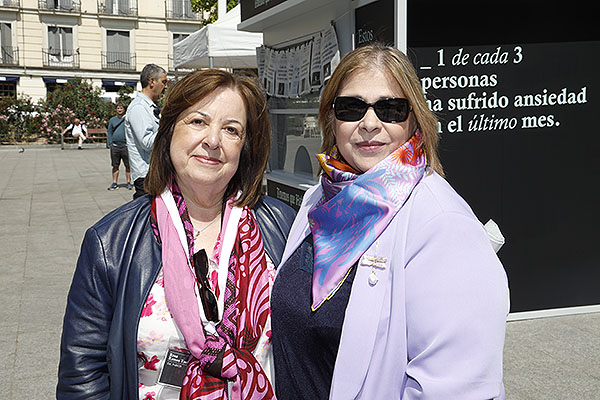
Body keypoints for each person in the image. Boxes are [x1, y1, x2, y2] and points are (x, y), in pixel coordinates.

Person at [271, 43, 510, 399]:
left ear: (414, 119)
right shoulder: (319, 199)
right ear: (330, 118)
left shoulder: (443, 224)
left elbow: (455, 389)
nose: (369, 124)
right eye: (351, 108)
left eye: (390, 109)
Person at [57, 70, 296, 399]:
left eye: (231, 130)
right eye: (198, 121)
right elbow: (82, 373)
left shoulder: (283, 226)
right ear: (169, 132)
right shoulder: (109, 242)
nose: (213, 141)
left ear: (245, 147)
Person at [125, 63, 168, 199]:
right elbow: (147, 142)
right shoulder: (139, 108)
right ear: (152, 81)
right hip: (146, 177)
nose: (166, 86)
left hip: (154, 174)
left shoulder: (148, 106)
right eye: (164, 82)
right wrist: (170, 130)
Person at [106, 102, 133, 190]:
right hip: (115, 146)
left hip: (125, 146)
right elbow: (109, 132)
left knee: (127, 165)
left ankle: (129, 182)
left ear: (124, 109)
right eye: (118, 108)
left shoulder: (128, 119)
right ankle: (114, 182)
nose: (119, 110)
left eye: (121, 108)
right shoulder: (112, 120)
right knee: (115, 165)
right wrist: (110, 143)